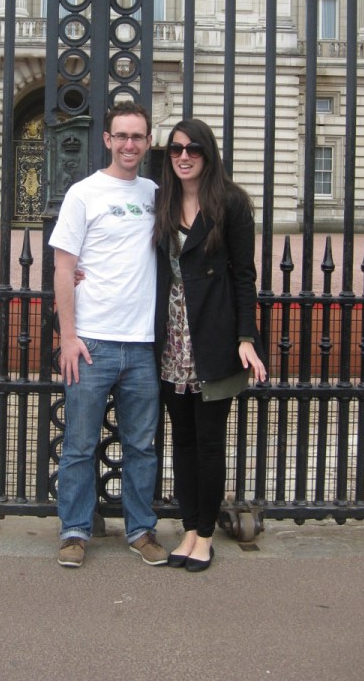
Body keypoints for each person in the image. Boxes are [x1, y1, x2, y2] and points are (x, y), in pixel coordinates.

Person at [49, 101, 166, 568]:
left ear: (148, 142)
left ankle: (140, 529)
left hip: (141, 345)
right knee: (79, 446)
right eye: (122, 136)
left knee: (142, 447)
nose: (129, 144)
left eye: (137, 136)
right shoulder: (83, 193)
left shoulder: (157, 194)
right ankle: (74, 530)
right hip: (92, 342)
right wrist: (68, 336)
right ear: (107, 140)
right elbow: (63, 267)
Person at [154, 118, 267, 573]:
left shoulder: (231, 203)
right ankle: (188, 527)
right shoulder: (162, 201)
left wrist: (246, 337)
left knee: (208, 442)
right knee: (181, 440)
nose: (184, 157)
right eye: (176, 149)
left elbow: (244, 275)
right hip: (171, 338)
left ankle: (204, 535)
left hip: (212, 335)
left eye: (193, 149)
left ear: (208, 153)